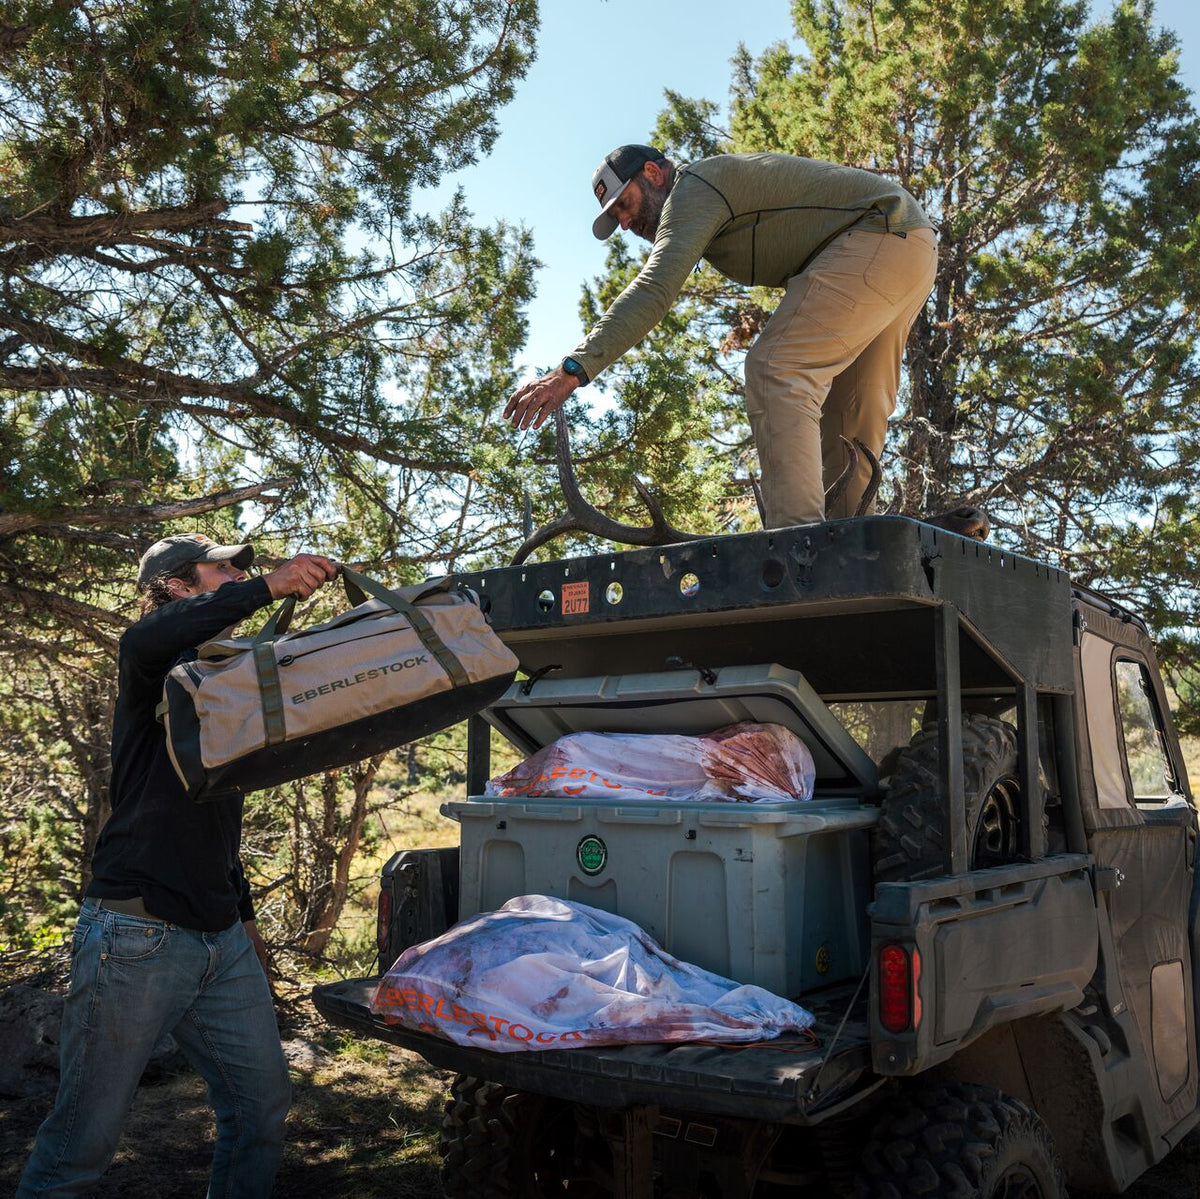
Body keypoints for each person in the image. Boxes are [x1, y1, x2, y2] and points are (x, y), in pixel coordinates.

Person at [18, 533, 338, 1199]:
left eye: (239, 570)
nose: (234, 576)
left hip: (219, 939)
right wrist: (270, 585)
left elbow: (217, 814)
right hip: (136, 935)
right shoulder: (150, 659)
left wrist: (244, 916)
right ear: (176, 585)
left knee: (261, 1108)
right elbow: (146, 639)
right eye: (220, 567)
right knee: (81, 1141)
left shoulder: (225, 680)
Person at [504, 145, 938, 528]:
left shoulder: (693, 188)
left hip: (878, 234)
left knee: (776, 368)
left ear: (654, 174)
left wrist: (571, 371)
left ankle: (800, 546)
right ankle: (850, 543)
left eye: (624, 203)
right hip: (910, 247)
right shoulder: (706, 197)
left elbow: (655, 288)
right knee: (853, 412)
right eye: (615, 215)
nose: (624, 222)